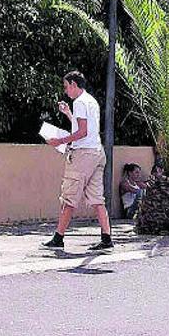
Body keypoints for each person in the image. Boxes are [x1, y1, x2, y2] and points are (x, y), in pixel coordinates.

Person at [44, 71, 113, 251]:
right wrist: (68, 113)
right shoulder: (91, 101)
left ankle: (58, 238)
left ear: (74, 84)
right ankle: (106, 238)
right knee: (97, 198)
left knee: (69, 197)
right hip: (97, 152)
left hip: (83, 156)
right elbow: (86, 128)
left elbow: (82, 132)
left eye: (67, 87)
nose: (66, 91)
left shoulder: (80, 102)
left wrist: (58, 141)